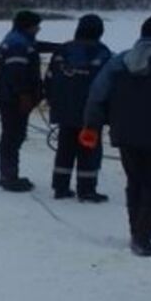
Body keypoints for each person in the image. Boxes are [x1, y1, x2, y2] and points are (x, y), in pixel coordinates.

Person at [82, 15, 151, 258]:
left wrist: (91, 125)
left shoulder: (119, 61)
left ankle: (137, 231)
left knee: (135, 183)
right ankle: (143, 237)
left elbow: (97, 94)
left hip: (125, 135)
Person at [44, 14, 111, 201]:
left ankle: (60, 187)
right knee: (89, 150)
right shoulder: (102, 53)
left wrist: (52, 100)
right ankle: (86, 189)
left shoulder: (62, 51)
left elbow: (49, 78)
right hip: (90, 112)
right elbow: (108, 85)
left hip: (64, 109)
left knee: (65, 148)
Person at [0, 9, 49, 192]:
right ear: (28, 26)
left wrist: (61, 47)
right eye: (36, 26)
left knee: (14, 135)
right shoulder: (17, 44)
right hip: (12, 98)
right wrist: (24, 95)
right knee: (12, 136)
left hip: (10, 96)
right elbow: (16, 73)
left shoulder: (21, 40)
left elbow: (35, 46)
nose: (38, 29)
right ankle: (8, 177)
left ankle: (9, 174)